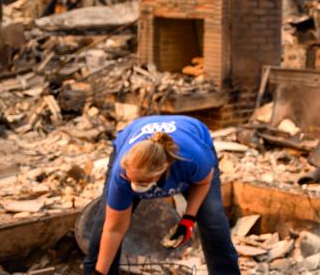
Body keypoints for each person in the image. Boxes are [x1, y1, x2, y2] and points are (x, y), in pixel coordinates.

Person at [84, 115, 239, 275]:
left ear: (163, 170)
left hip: (192, 140)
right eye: (131, 179)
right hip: (136, 135)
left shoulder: (193, 159)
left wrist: (188, 219)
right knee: (104, 227)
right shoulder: (123, 173)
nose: (135, 186)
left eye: (142, 183)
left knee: (213, 222)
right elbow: (114, 229)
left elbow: (203, 183)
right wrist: (100, 273)